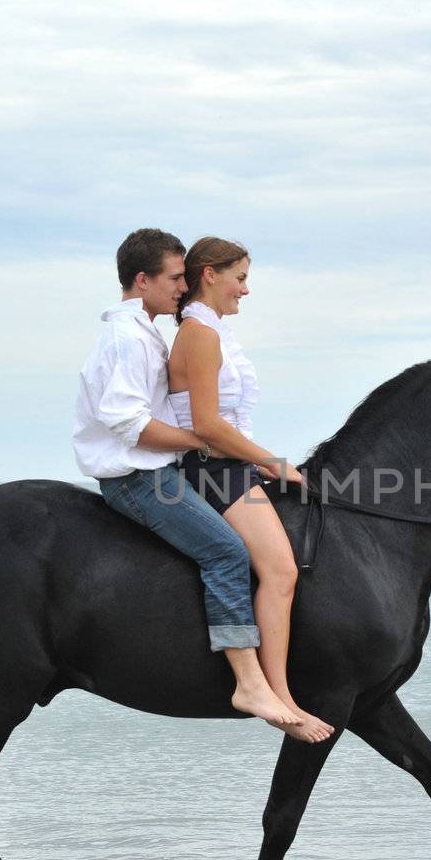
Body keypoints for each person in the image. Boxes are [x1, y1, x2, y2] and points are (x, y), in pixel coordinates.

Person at [72, 228, 301, 733]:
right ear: (142, 279)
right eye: (176, 277)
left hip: (170, 466)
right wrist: (223, 449)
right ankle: (251, 683)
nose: (182, 287)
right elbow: (138, 424)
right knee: (226, 553)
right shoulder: (135, 337)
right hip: (140, 477)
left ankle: (273, 685)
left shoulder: (151, 331)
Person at [167, 236, 334, 743]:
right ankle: (277, 697)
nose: (246, 290)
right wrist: (271, 461)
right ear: (211, 274)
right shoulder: (199, 334)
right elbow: (206, 425)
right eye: (240, 278)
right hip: (214, 471)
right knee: (280, 570)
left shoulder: (213, 333)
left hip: (234, 466)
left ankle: (278, 690)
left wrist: (254, 459)